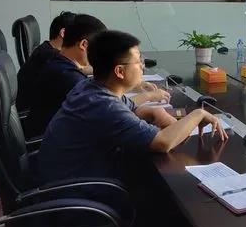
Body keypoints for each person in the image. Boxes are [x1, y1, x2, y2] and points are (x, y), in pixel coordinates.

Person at [35, 30, 227, 184]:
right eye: (138, 61)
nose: (142, 66)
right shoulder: (104, 104)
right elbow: (162, 143)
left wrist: (154, 111)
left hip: (67, 175)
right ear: (119, 71)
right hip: (78, 191)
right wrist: (198, 114)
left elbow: (131, 109)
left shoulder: (91, 86)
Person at [25, 14, 110, 136]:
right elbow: (108, 108)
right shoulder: (68, 76)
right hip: (51, 141)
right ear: (84, 45)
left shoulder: (59, 63)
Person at [16, 11, 76, 111]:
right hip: (32, 112)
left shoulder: (45, 48)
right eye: (78, 34)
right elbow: (77, 69)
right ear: (63, 33)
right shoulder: (51, 56)